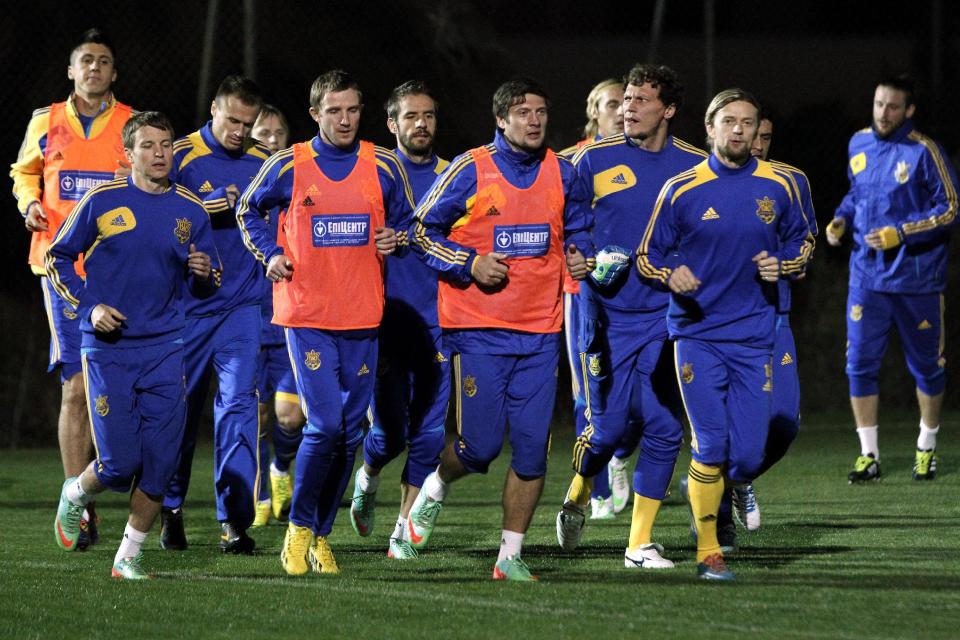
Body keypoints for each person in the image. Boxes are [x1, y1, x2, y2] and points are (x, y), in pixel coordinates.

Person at [406, 78, 594, 581]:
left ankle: (509, 557)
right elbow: (421, 231)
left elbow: (577, 229)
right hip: (478, 329)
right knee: (479, 447)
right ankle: (435, 487)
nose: (534, 120)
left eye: (541, 111)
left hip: (540, 332)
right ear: (501, 120)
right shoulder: (472, 168)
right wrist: (469, 264)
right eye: (522, 111)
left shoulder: (563, 172)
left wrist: (579, 255)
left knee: (533, 450)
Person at [237, 69, 410, 576]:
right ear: (315, 114)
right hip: (308, 313)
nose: (345, 119)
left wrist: (394, 237)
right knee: (327, 423)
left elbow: (408, 221)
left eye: (353, 110)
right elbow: (249, 209)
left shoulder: (381, 165)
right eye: (334, 111)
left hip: (362, 315)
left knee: (352, 433)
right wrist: (269, 253)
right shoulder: (289, 164)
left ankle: (320, 534)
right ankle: (297, 528)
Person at [637, 88, 812, 581]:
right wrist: (670, 274)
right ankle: (708, 549)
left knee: (750, 453)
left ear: (759, 131)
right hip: (697, 334)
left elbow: (804, 240)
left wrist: (787, 262)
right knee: (710, 443)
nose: (740, 130)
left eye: (749, 123)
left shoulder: (780, 186)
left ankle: (728, 492)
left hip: (755, 336)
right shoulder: (681, 188)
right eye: (729, 121)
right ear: (710, 128)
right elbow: (648, 254)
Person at [46, 111, 217, 579]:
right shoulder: (101, 201)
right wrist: (90, 306)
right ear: (128, 153)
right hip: (109, 350)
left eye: (165, 145)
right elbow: (56, 257)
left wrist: (203, 274)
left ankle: (129, 555)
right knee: (120, 467)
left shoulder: (191, 210)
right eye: (148, 145)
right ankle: (76, 494)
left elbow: (210, 279)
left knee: (161, 462)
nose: (159, 153)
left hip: (165, 348)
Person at [555, 64, 706, 569]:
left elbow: (704, 233)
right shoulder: (590, 158)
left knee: (664, 430)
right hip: (606, 314)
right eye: (626, 100)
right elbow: (568, 224)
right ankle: (578, 492)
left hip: (665, 319)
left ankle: (638, 545)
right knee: (608, 430)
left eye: (641, 100)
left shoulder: (694, 166)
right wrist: (580, 254)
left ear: (668, 110)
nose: (628, 108)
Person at [10, 28, 133, 550]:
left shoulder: (131, 123)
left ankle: (151, 501)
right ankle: (78, 502)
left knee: (128, 388)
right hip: (61, 271)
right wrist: (28, 202)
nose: (95, 68)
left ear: (113, 73)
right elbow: (23, 173)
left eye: (104, 61)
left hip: (120, 270)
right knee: (76, 388)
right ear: (71, 70)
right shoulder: (46, 120)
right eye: (86, 60)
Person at [827, 75, 957, 483]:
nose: (884, 113)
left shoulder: (925, 151)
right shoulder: (858, 142)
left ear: (909, 111)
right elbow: (856, 192)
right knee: (858, 365)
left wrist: (900, 233)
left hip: (916, 280)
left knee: (927, 368)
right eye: (879, 104)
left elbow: (951, 208)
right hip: (866, 277)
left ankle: (927, 447)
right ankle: (869, 455)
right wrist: (841, 218)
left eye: (893, 106)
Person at [161, 75, 270, 553]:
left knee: (239, 412)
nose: (239, 132)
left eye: (248, 124)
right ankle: (169, 506)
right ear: (213, 109)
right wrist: (198, 225)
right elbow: (152, 218)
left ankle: (234, 522)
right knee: (178, 416)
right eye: (231, 120)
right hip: (186, 311)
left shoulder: (264, 163)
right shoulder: (179, 155)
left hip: (241, 310)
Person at [350, 80, 451, 560]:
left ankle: (402, 529)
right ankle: (367, 476)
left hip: (438, 321)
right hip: (385, 321)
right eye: (411, 116)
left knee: (430, 433)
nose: (421, 124)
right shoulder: (369, 175)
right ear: (392, 124)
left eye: (428, 115)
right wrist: (372, 240)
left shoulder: (456, 175)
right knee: (389, 433)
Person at [559, 78, 634, 519]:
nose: (620, 111)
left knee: (640, 396)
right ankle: (599, 488)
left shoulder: (644, 158)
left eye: (624, 103)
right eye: (611, 103)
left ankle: (621, 455)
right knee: (587, 390)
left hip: (634, 294)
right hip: (581, 292)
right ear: (594, 111)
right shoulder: (573, 160)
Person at [248, 104, 307, 528]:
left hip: (289, 317)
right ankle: (259, 498)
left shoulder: (299, 185)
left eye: (278, 133)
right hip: (247, 319)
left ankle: (281, 468)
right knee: (257, 416)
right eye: (261, 133)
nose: (270, 140)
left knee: (290, 416)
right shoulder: (242, 190)